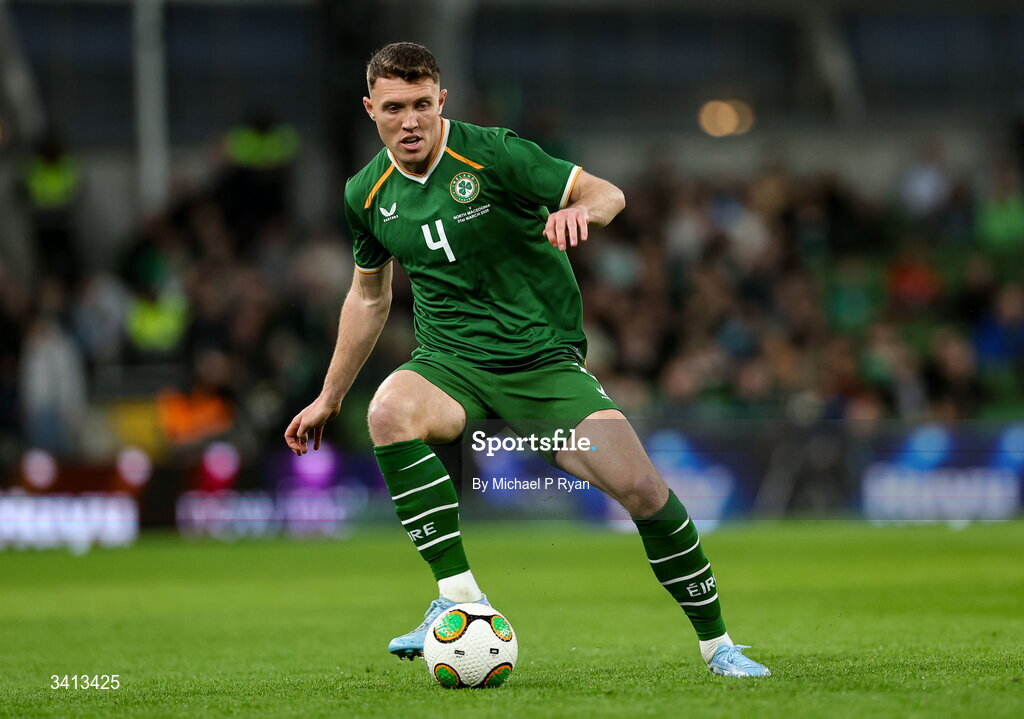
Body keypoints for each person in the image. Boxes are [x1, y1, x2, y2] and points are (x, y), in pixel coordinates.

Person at [284, 42, 770, 678]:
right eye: (395, 107)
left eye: (423, 105)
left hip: (543, 363)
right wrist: (329, 395)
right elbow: (369, 296)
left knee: (644, 490)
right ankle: (458, 600)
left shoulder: (494, 154)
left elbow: (609, 193)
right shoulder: (365, 194)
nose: (410, 121)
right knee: (390, 410)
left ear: (441, 101)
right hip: (451, 360)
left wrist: (579, 211)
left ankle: (719, 647)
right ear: (370, 107)